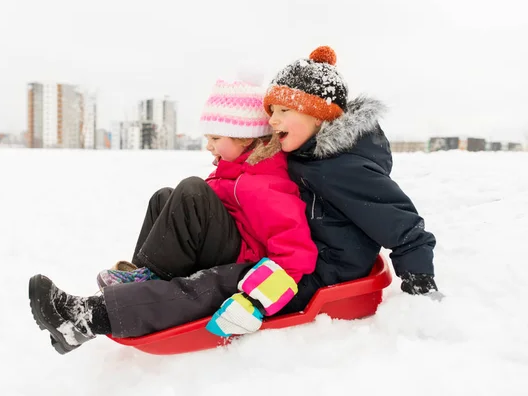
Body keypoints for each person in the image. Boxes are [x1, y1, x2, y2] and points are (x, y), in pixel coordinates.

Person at [29, 75, 318, 354]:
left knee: (192, 191)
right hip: (228, 243)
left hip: (244, 261)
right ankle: (141, 275)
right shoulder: (235, 170)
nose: (208, 146)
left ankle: (148, 282)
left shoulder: (263, 182)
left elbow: (295, 251)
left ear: (245, 139)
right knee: (164, 197)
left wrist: (257, 296)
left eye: (215, 137)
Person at [262, 46, 442, 315]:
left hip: (323, 272)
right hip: (298, 258)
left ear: (319, 115)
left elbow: (403, 227)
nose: (273, 120)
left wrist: (420, 284)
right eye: (271, 110)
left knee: (234, 287)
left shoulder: (342, 168)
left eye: (284, 110)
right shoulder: (304, 156)